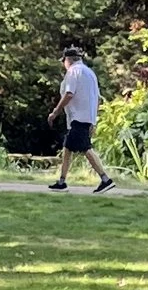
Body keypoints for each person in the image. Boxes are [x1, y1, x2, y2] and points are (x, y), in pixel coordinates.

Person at [46, 45, 115, 192]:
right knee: (67, 148)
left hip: (78, 117)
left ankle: (105, 179)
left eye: (64, 61)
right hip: (86, 117)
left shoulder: (73, 71)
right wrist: (93, 120)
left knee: (86, 148)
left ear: (68, 60)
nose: (63, 64)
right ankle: (62, 182)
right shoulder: (90, 73)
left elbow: (69, 94)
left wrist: (55, 112)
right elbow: (97, 99)